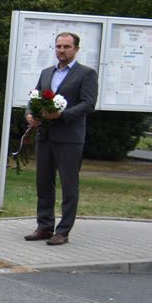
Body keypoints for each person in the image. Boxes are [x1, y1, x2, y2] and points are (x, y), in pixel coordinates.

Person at [24, 31, 98, 246]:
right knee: (43, 183)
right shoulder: (47, 72)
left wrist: (62, 115)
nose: (62, 50)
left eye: (66, 47)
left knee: (68, 185)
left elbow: (88, 104)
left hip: (69, 138)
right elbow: (34, 97)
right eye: (58, 46)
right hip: (45, 135)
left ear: (76, 49)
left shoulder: (86, 73)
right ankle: (44, 226)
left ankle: (63, 231)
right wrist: (29, 115)